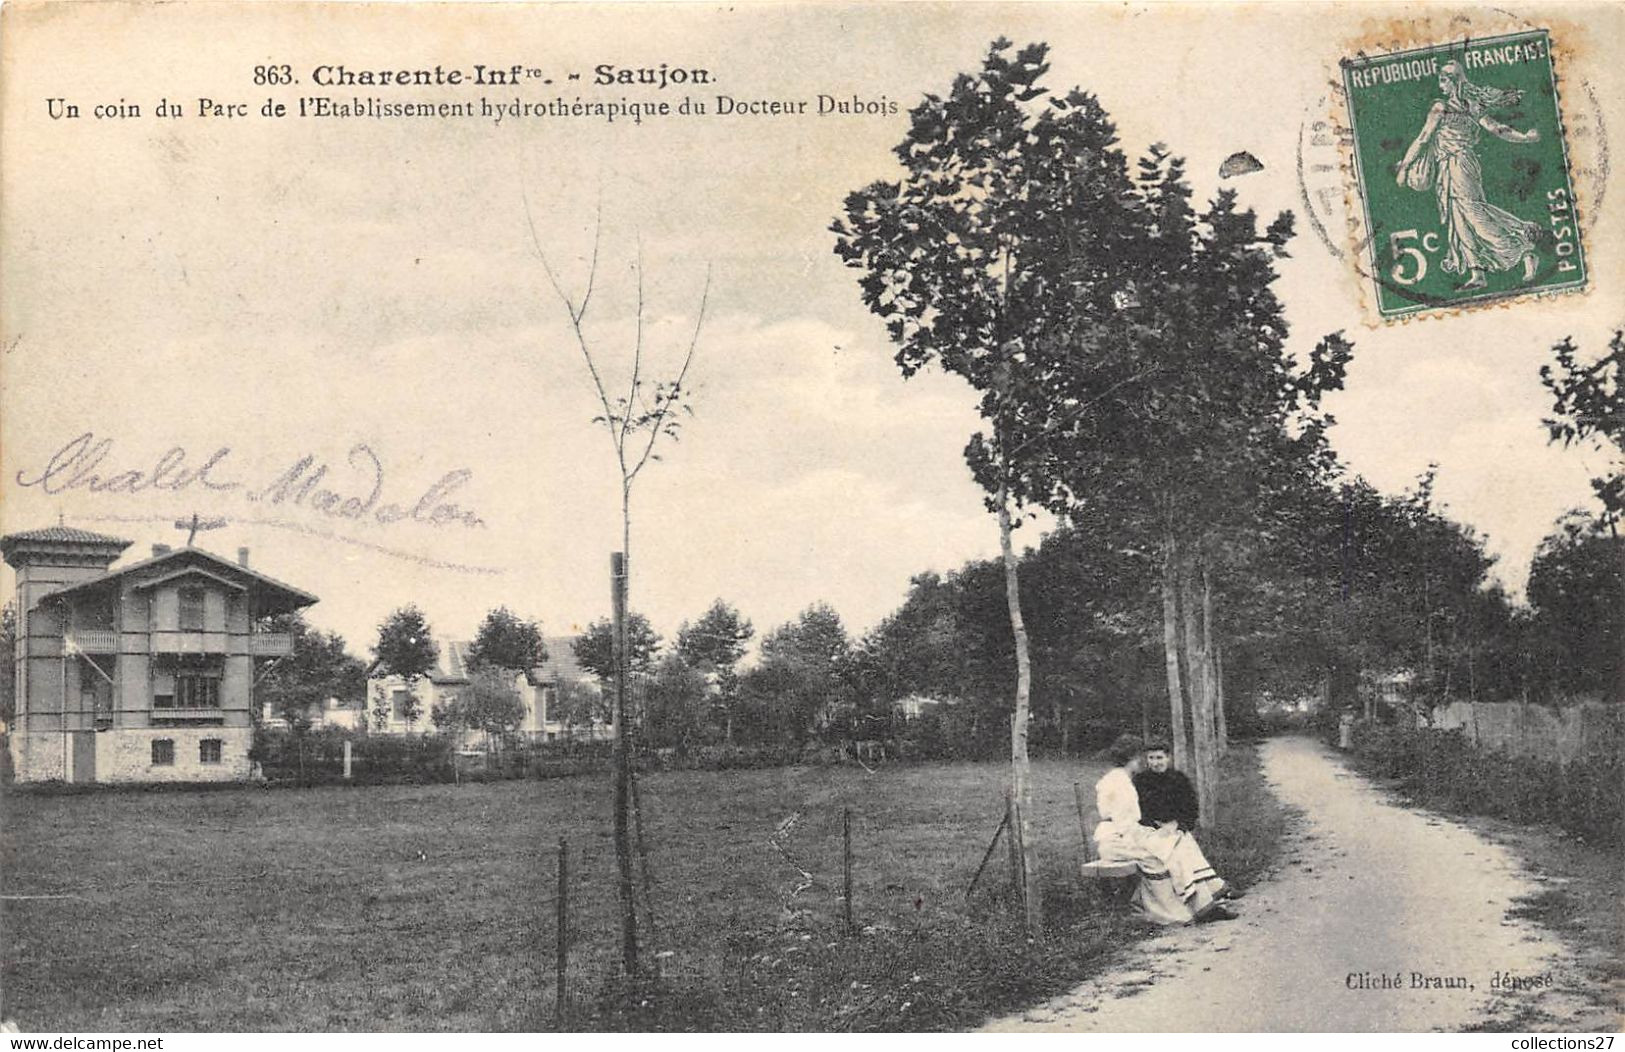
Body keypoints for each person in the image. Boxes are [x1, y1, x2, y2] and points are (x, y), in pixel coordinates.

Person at [1395, 60, 1543, 291]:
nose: (1440, 85)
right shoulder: (1471, 106)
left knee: (1474, 214)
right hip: (1458, 165)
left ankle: (1523, 251)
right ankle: (1477, 273)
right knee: (1460, 218)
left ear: (1451, 82)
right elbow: (1498, 129)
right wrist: (1524, 137)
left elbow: (1423, 138)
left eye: (1443, 80)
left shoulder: (1440, 108)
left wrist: (1404, 167)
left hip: (1458, 165)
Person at [1092, 734, 1235, 924]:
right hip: (1118, 840)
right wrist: (1153, 833)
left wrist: (1165, 830)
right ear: (1132, 759)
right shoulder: (1122, 784)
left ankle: (1206, 901)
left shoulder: (1119, 778)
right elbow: (1123, 822)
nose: (1143, 762)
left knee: (1176, 843)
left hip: (1125, 835)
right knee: (1171, 849)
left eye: (1157, 757)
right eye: (1142, 758)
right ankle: (1196, 907)